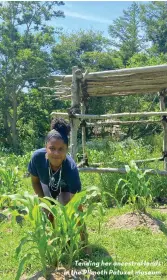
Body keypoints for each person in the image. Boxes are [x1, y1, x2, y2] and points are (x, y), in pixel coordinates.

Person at [28, 118, 89, 251]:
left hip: (65, 189)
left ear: (67, 150)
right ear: (46, 148)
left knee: (68, 208)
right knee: (48, 212)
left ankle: (78, 239)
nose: (56, 153)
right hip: (46, 185)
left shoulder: (71, 170)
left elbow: (77, 206)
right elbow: (34, 181)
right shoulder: (37, 158)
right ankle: (57, 238)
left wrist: (84, 240)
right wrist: (44, 202)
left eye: (61, 149)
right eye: (52, 148)